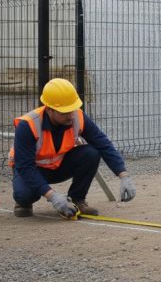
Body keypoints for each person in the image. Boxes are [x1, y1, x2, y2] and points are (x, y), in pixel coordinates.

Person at [9, 78, 136, 218]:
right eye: (64, 112)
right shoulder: (28, 125)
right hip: (33, 170)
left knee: (91, 153)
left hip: (59, 166)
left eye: (72, 109)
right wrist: (53, 197)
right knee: (24, 194)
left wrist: (124, 176)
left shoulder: (78, 116)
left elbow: (103, 143)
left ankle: (77, 200)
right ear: (49, 110)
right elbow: (25, 167)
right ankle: (23, 203)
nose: (70, 115)